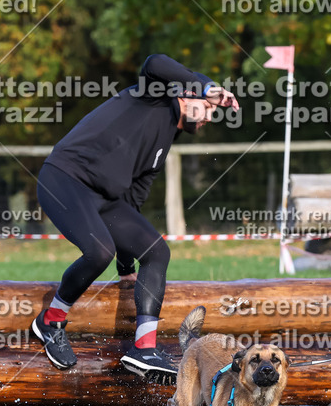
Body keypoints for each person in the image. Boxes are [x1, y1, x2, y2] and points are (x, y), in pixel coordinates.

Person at [31, 54, 238, 375]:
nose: (212, 115)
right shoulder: (154, 97)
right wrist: (207, 87)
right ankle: (50, 320)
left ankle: (144, 349)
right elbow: (154, 62)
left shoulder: (164, 140)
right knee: (99, 251)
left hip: (105, 198)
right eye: (209, 108)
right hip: (63, 179)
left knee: (156, 251)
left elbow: (132, 201)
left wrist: (127, 265)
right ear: (187, 94)